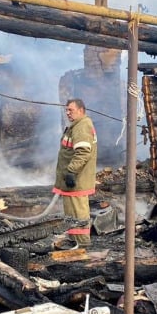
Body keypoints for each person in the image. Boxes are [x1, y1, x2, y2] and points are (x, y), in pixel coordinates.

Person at [52, 98, 98, 249]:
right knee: (72, 211)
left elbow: (83, 152)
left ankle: (83, 243)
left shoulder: (82, 126)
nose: (67, 113)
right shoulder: (77, 125)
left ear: (81, 110)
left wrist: (71, 171)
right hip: (72, 181)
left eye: (70, 110)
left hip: (77, 180)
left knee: (78, 211)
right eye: (66, 110)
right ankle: (75, 241)